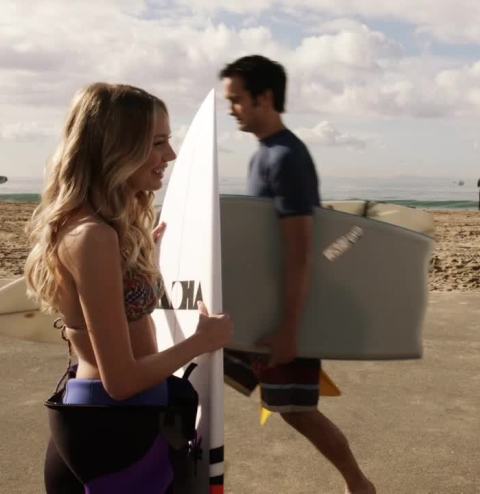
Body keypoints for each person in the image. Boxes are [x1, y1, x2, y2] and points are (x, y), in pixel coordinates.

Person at [24, 83, 234, 493]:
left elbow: (97, 318)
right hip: (116, 431)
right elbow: (120, 380)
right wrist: (202, 342)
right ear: (117, 150)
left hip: (107, 422)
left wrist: (140, 260)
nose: (170, 155)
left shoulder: (100, 232)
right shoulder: (93, 236)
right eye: (157, 143)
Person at [219, 55, 375, 494]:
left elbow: (300, 250)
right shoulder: (264, 156)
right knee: (204, 373)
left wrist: (289, 327)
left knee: (296, 409)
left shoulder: (286, 157)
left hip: (286, 310)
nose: (231, 109)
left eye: (237, 100)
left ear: (265, 98)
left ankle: (359, 485)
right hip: (260, 306)